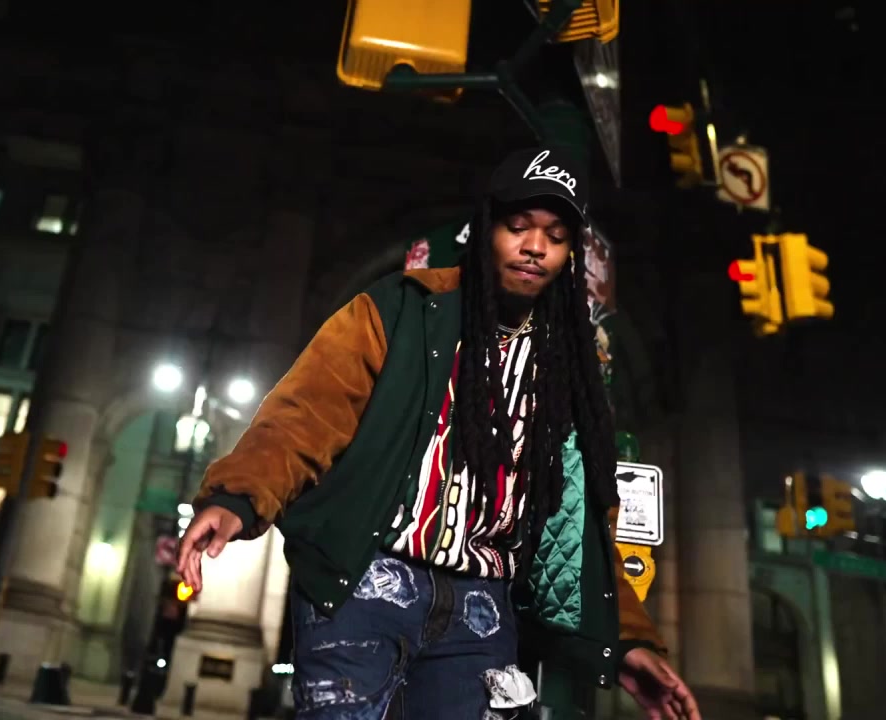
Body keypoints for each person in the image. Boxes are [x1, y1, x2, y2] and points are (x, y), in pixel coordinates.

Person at [177, 146, 700, 720]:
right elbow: (307, 413)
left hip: (483, 611)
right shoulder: (401, 309)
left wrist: (627, 640)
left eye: (555, 235)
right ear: (487, 228)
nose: (535, 246)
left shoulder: (570, 368)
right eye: (518, 227)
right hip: (366, 582)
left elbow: (580, 526)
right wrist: (238, 495)